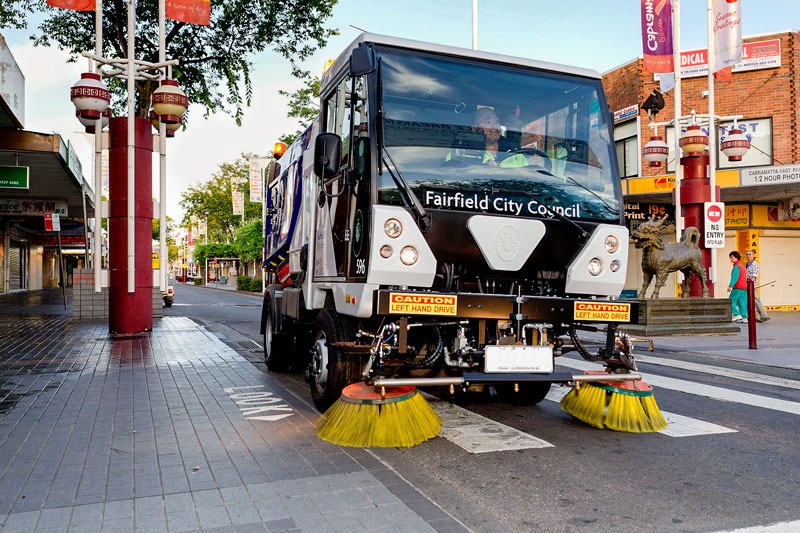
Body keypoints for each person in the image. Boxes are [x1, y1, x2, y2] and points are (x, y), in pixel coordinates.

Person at [744, 249, 770, 322]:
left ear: (753, 255)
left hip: (752, 286)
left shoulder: (754, 264)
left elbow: (754, 275)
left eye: (750, 254)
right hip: (747, 286)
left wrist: (751, 283)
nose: (748, 256)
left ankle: (764, 315)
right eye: (747, 254)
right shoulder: (747, 264)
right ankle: (752, 316)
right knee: (749, 301)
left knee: (755, 300)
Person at [727, 250, 748, 323]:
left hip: (738, 287)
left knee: (730, 301)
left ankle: (737, 314)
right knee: (742, 302)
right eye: (730, 257)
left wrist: (730, 286)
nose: (731, 259)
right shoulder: (742, 266)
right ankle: (744, 317)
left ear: (736, 257)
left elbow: (735, 277)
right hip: (744, 287)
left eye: (732, 257)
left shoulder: (737, 266)